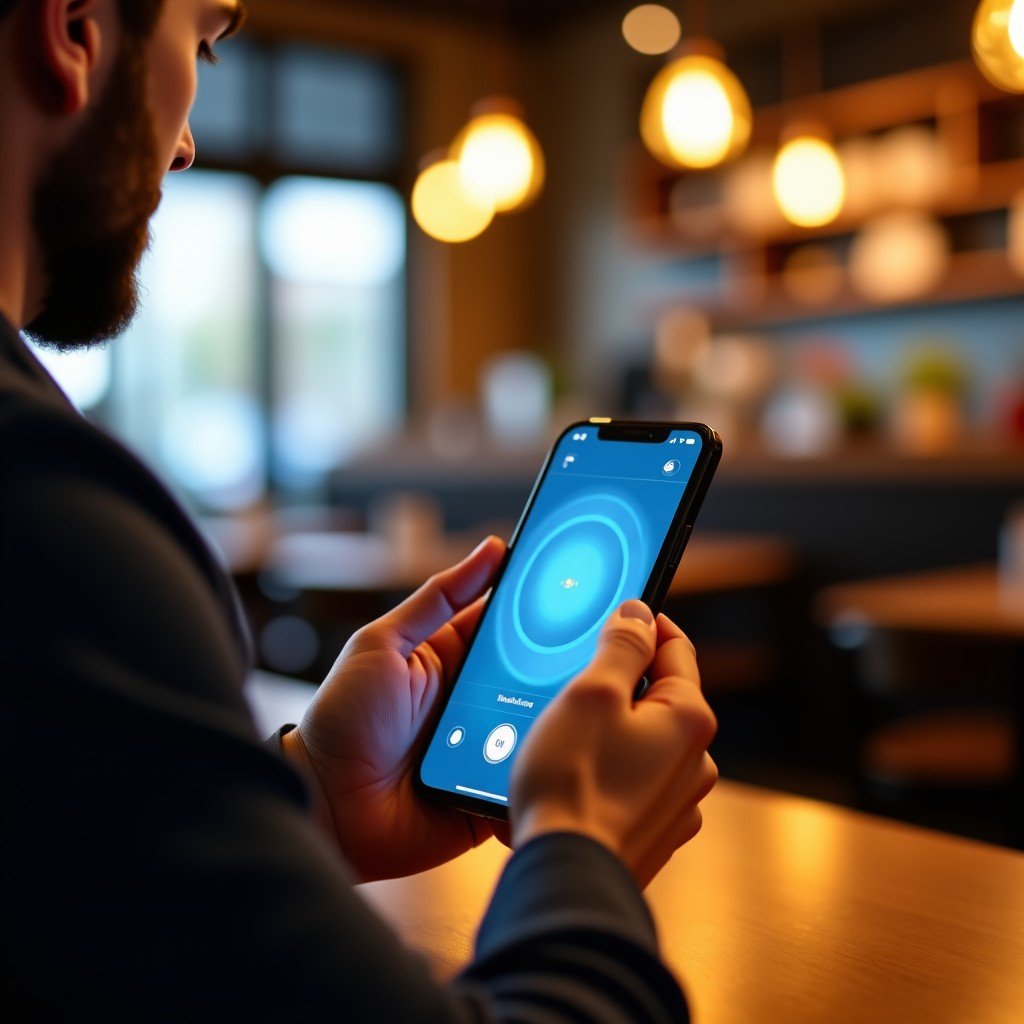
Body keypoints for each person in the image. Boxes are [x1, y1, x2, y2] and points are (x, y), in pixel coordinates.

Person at [0, 1, 719, 1019]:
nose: (189, 144)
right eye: (202, 44)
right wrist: (585, 846)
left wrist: (317, 802)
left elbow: (72, 891)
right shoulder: (48, 516)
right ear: (75, 29)